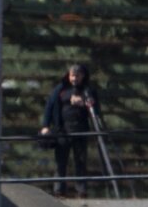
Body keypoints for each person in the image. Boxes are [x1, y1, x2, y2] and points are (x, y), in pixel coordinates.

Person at [40, 64, 102, 197]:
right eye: (72, 76)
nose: (74, 79)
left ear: (82, 76)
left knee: (80, 161)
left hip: (81, 130)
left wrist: (86, 102)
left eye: (77, 76)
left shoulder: (88, 90)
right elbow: (49, 106)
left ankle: (81, 190)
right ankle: (59, 190)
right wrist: (45, 126)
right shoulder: (61, 89)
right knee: (61, 161)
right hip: (63, 130)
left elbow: (96, 109)